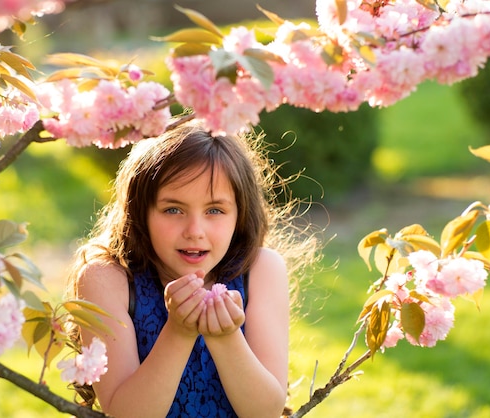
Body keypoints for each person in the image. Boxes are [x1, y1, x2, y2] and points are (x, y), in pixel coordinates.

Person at [66, 119, 318, 417]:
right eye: (173, 209)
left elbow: (264, 412)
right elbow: (126, 413)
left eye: (215, 210)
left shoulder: (261, 270)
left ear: (240, 214)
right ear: (140, 211)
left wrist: (225, 337)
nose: (194, 230)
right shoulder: (107, 280)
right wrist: (179, 332)